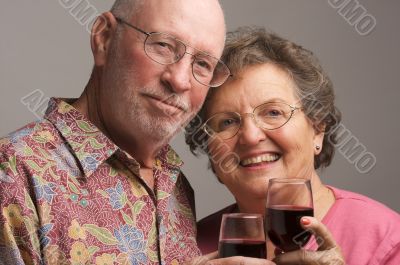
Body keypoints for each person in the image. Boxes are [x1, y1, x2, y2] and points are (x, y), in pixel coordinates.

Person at [0, 0, 230, 264]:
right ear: (104, 39)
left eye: (202, 64)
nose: (179, 80)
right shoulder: (14, 173)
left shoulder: (176, 187)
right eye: (163, 46)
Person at [185, 27, 400, 265]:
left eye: (273, 112)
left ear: (317, 129)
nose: (250, 136)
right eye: (227, 122)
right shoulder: (188, 247)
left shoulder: (388, 240)